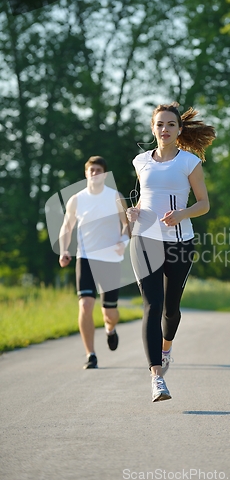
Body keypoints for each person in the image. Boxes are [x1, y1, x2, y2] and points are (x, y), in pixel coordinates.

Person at [126, 102, 216, 402]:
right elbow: (145, 200)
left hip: (179, 241)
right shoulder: (140, 161)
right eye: (160, 124)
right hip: (144, 240)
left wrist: (182, 214)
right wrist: (134, 212)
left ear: (179, 130)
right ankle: (156, 377)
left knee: (170, 309)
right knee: (152, 305)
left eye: (170, 125)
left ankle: (166, 348)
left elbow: (204, 203)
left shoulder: (189, 163)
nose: (164, 129)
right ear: (153, 128)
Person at [59, 156, 130, 369]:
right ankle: (90, 354)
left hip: (110, 259)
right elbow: (67, 227)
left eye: (98, 170)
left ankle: (110, 329)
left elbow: (127, 225)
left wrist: (123, 242)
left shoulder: (115, 197)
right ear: (86, 173)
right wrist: (63, 250)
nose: (94, 173)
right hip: (86, 257)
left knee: (110, 313)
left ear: (104, 174)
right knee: (86, 304)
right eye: (91, 170)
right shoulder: (76, 199)